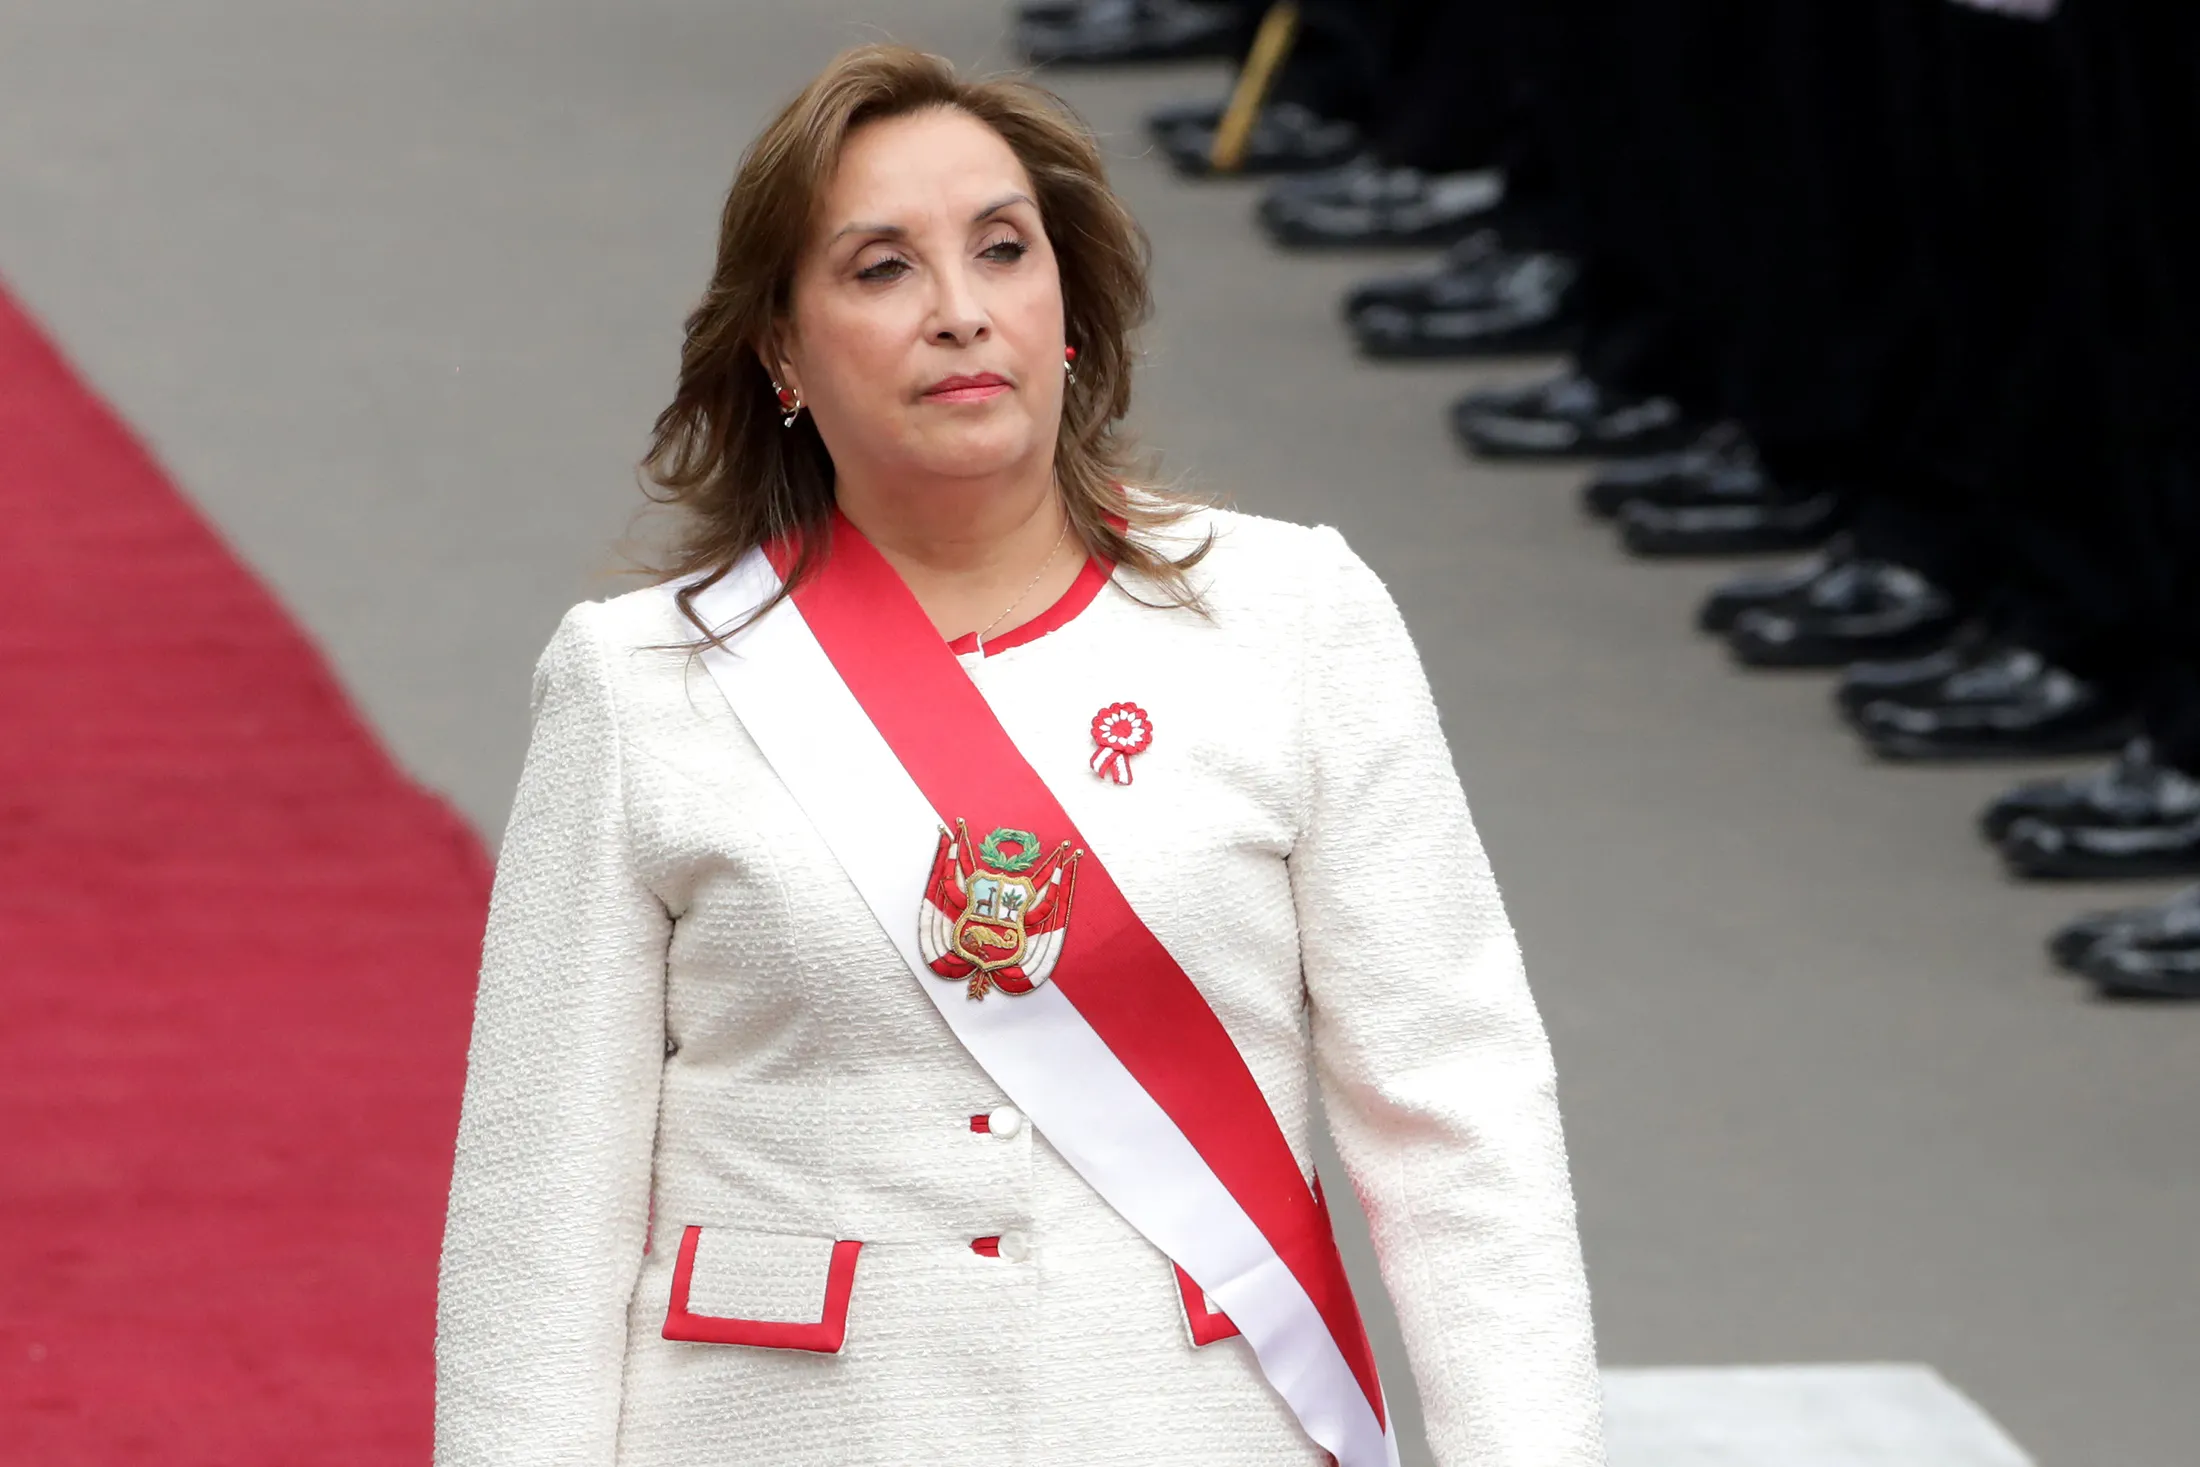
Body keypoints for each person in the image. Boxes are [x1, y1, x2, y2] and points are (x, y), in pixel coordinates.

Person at [433, 43, 1605, 1467]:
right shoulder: (641, 682)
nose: (960, 312)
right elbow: (540, 1204)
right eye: (882, 268)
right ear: (781, 352)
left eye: (1002, 249)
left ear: (1068, 305)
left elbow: (1457, 1113)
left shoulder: (1295, 617)